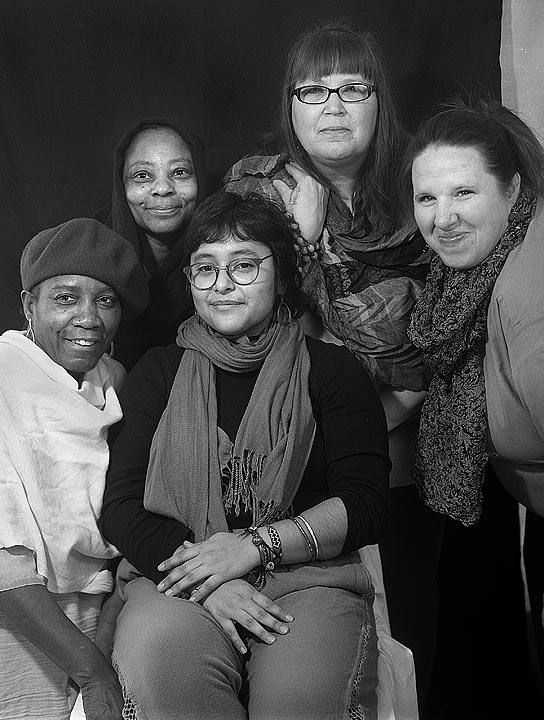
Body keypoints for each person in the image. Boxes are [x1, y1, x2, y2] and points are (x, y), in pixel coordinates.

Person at [100, 191, 392, 720]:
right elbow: (121, 507)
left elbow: (366, 504)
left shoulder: (332, 371)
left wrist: (254, 547)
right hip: (178, 579)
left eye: (244, 265)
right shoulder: (158, 372)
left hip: (307, 577)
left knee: (300, 697)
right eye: (205, 268)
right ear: (189, 282)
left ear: (281, 277)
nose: (223, 284)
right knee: (162, 666)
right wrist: (208, 579)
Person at [223, 19, 441, 706]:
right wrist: (303, 236)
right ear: (290, 106)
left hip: (416, 463)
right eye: (313, 90)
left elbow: (442, 338)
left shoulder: (423, 192)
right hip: (299, 470)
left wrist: (385, 408)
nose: (334, 106)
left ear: (380, 102)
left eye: (353, 88)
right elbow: (250, 331)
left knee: (423, 647)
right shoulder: (255, 191)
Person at [405, 98, 544, 718]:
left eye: (463, 192)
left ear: (512, 187)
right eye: (426, 198)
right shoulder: (495, 254)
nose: (442, 218)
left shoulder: (532, 304)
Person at [0, 217, 148, 719]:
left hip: (97, 609)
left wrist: (101, 643)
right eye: (65, 298)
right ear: (29, 306)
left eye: (105, 301)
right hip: (18, 614)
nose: (88, 318)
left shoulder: (113, 380)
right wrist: (93, 671)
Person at [96, 118, 206, 369]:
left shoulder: (225, 248)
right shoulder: (92, 248)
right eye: (142, 175)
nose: (163, 188)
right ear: (121, 185)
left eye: (180, 172)